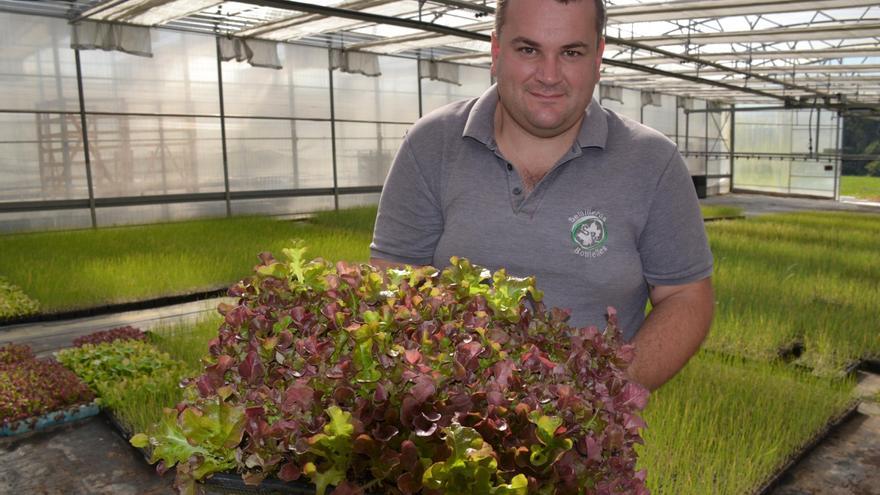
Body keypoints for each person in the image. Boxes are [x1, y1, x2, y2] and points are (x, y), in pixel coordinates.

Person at [369, 0, 714, 391]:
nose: (549, 76)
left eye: (571, 52)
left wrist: (606, 399)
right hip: (445, 436)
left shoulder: (652, 162)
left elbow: (686, 297)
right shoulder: (432, 143)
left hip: (589, 443)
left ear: (598, 57)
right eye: (528, 49)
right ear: (496, 50)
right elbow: (394, 275)